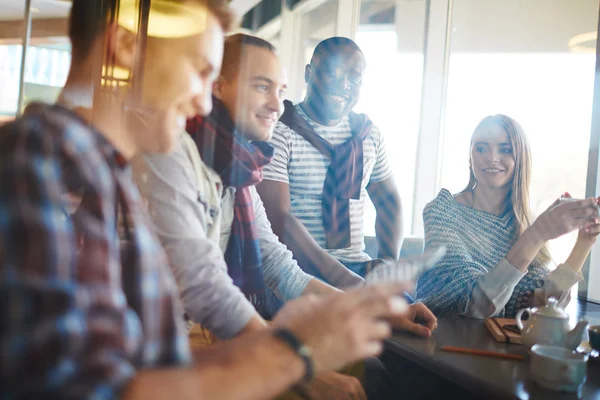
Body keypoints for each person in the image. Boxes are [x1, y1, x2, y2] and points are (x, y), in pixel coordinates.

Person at [0, 1, 414, 398]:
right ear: (125, 46)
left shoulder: (112, 172)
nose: (204, 100)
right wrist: (293, 361)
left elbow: (151, 358)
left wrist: (341, 319)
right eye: (200, 72)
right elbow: (98, 388)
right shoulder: (40, 157)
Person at [132, 33, 437, 399]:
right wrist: (295, 369)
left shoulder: (238, 172)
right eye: (262, 87)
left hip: (206, 340)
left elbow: (280, 267)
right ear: (219, 87)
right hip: (157, 354)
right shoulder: (173, 151)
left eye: (280, 90)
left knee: (367, 371)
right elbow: (203, 285)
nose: (277, 104)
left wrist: (382, 310)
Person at [415, 114, 600, 318]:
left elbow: (546, 304)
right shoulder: (442, 211)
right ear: (470, 157)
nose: (492, 157)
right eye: (481, 148)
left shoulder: (522, 221)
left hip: (501, 347)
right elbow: (476, 304)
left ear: (520, 159)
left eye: (505, 149)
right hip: (438, 340)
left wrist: (585, 241)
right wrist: (538, 234)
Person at [257, 37, 404, 288]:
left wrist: (388, 263)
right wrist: (348, 284)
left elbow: (389, 201)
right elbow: (279, 220)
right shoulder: (278, 131)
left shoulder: (368, 134)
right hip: (295, 270)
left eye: (354, 78)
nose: (344, 85)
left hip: (357, 266)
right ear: (308, 73)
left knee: (411, 318)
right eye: (332, 74)